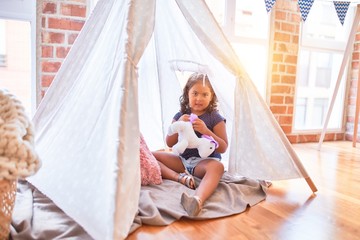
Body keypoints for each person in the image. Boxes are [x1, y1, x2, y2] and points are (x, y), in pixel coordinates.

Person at [152, 73, 228, 217]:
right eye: (195, 93)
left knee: (218, 167)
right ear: (187, 94)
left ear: (212, 96)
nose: (199, 98)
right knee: (149, 155)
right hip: (182, 162)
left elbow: (223, 147)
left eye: (205, 94)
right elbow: (169, 143)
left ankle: (196, 201)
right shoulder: (181, 114)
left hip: (204, 163)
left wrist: (206, 131)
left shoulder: (215, 117)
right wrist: (178, 123)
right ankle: (179, 178)